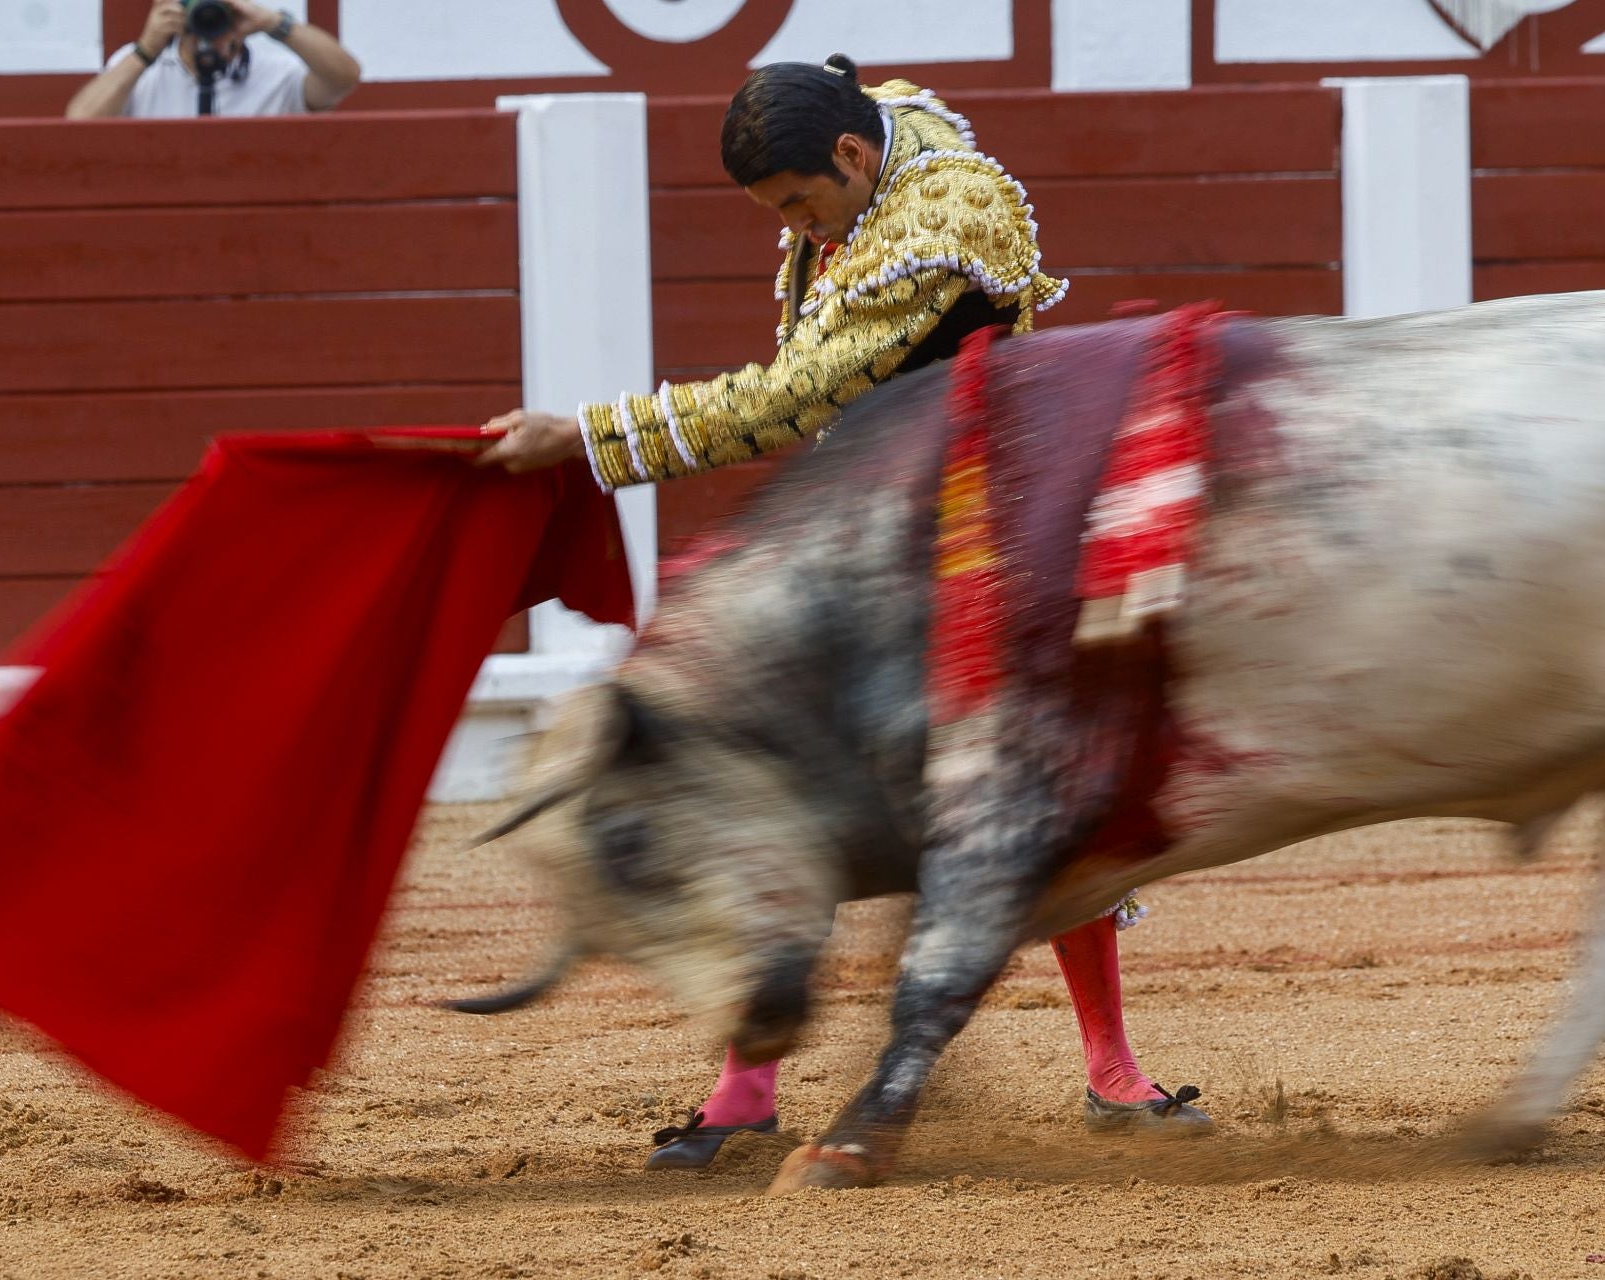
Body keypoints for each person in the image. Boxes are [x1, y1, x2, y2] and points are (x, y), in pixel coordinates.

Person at [480, 55, 1209, 1168]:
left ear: (853, 158)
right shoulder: (872, 150)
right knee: (788, 764)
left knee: (1027, 785)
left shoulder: (940, 214)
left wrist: (591, 438)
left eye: (795, 204)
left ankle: (1110, 1068)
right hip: (876, 512)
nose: (796, 227)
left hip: (970, 530)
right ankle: (745, 1088)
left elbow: (795, 396)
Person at [65, 0, 360, 120]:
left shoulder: (275, 72)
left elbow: (343, 77)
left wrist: (273, 22)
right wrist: (144, 51)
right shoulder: (141, 68)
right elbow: (80, 121)